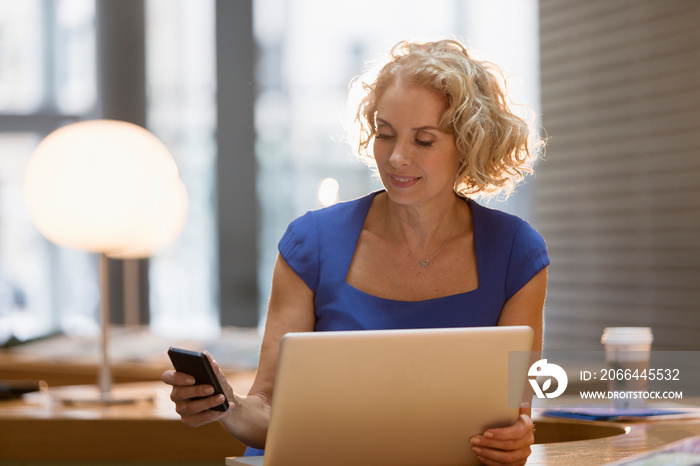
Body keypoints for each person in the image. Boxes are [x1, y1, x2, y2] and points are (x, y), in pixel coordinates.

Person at [163, 39, 548, 466]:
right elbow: (268, 410)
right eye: (385, 134)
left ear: (469, 144)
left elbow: (514, 414)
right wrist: (231, 408)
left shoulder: (516, 253)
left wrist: (513, 440)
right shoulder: (313, 243)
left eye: (423, 140)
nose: (397, 157)